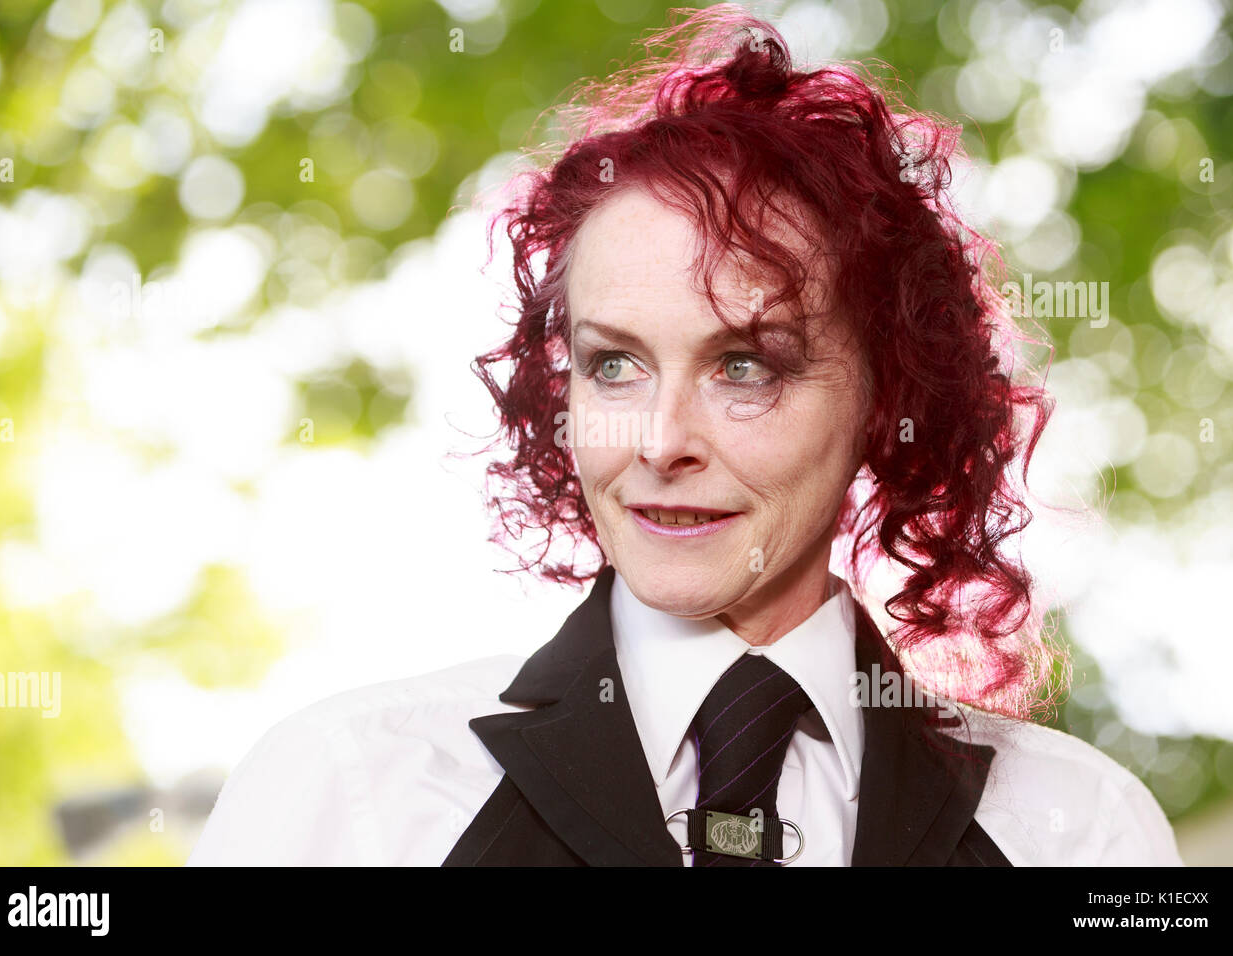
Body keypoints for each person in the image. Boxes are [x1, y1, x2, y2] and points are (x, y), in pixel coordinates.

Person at [186, 5, 1182, 867]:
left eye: (745, 365)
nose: (660, 439)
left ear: (888, 393)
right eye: (613, 362)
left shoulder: (1075, 829)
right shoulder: (348, 794)